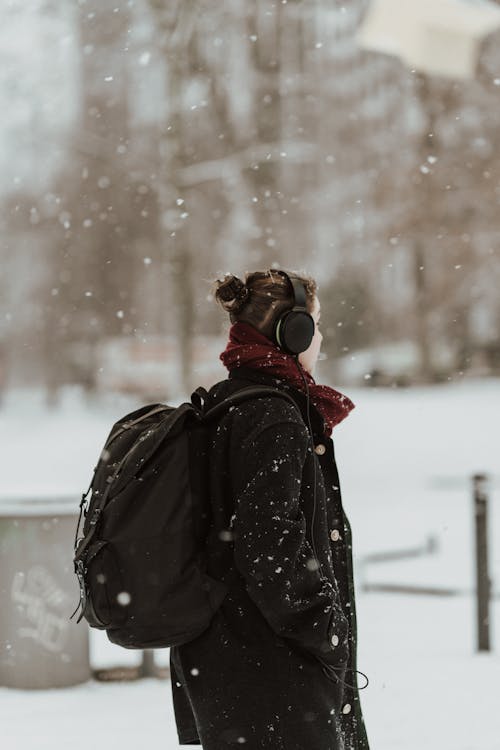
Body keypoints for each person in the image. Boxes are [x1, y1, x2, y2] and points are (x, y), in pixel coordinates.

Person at [169, 268, 370, 749]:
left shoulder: (224, 404)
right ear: (293, 332)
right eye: (316, 325)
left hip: (231, 669)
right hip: (276, 680)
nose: (321, 338)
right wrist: (327, 631)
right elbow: (268, 545)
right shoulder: (274, 418)